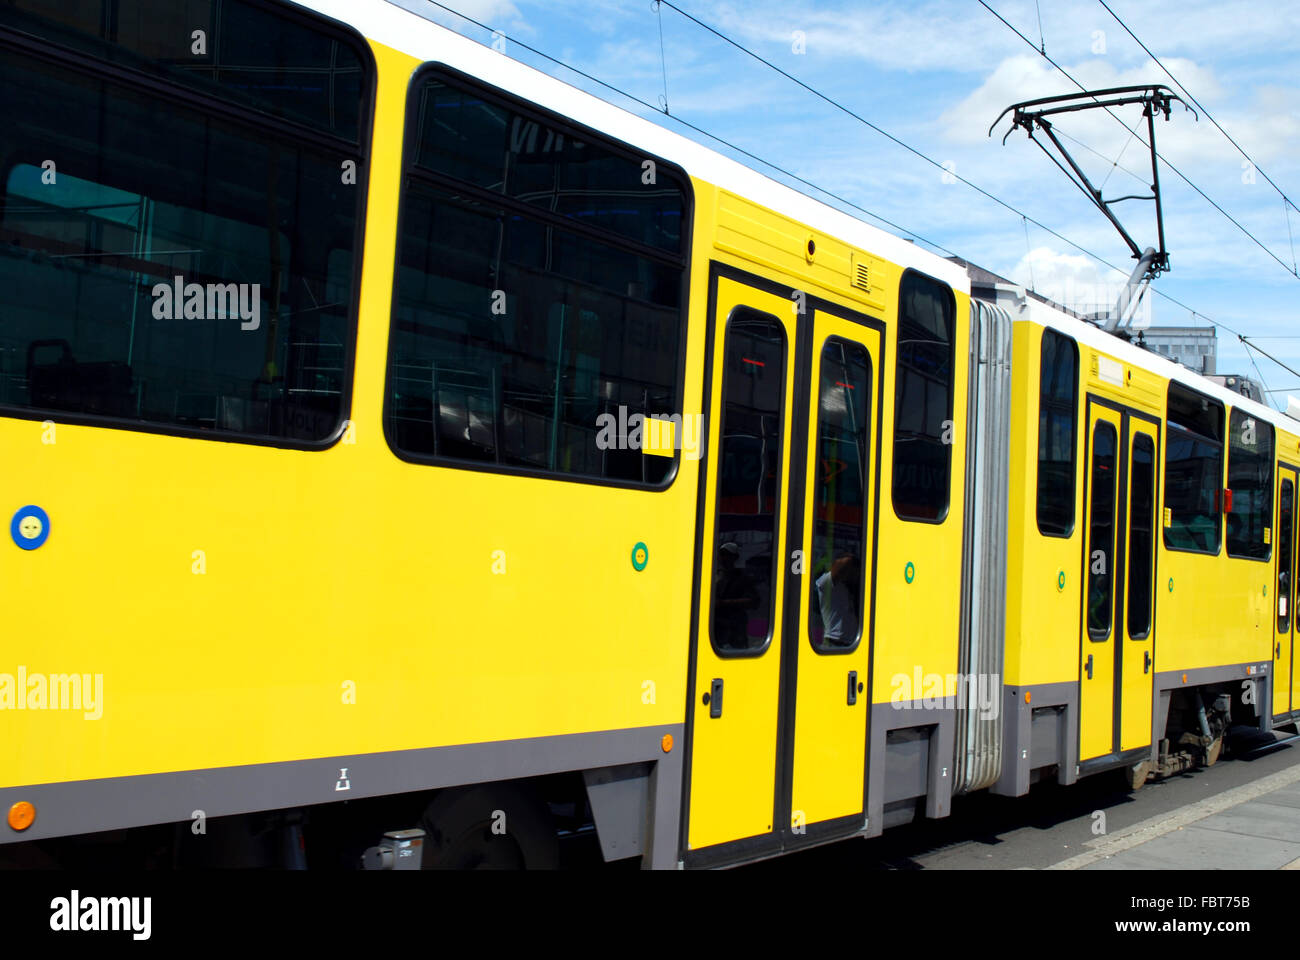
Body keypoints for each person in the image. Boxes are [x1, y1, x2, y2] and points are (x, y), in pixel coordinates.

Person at [713, 542, 759, 650]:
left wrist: (724, 603)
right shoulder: (714, 577)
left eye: (728, 555)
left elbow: (754, 602)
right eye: (722, 554)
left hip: (735, 631)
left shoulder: (742, 579)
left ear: (735, 558)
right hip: (716, 631)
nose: (724, 558)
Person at [815, 554, 859, 647]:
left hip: (851, 643)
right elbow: (845, 562)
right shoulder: (826, 583)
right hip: (833, 642)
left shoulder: (849, 588)